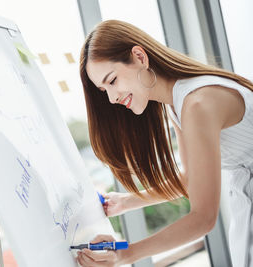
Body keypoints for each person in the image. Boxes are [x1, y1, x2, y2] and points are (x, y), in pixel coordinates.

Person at [76, 19, 253, 267]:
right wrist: (128, 201)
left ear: (139, 56)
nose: (113, 98)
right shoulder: (178, 103)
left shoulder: (197, 104)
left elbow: (203, 218)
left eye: (112, 81)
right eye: (104, 90)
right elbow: (191, 178)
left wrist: (126, 253)